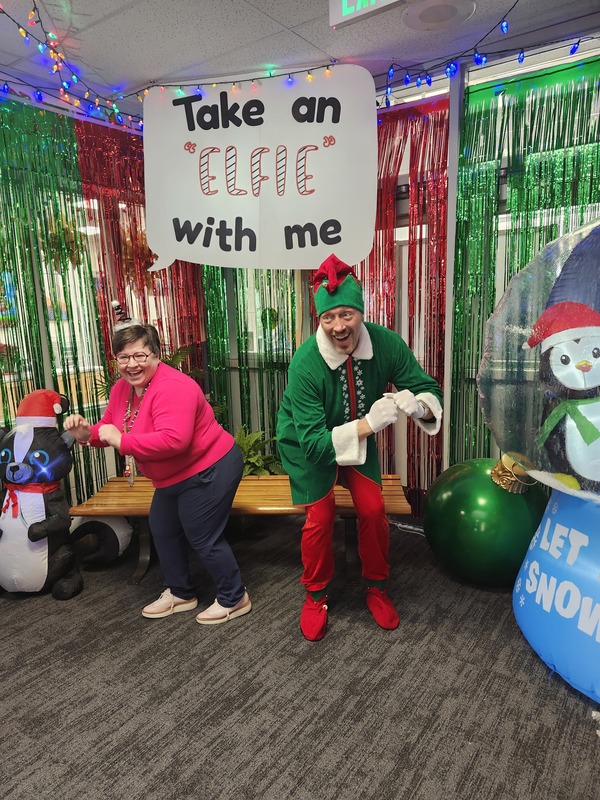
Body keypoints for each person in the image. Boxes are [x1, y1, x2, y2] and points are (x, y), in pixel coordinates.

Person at [276, 254, 442, 641]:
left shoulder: (386, 344)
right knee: (320, 519)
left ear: (361, 313)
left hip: (357, 446)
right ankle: (315, 595)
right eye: (328, 318)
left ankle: (377, 587)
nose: (338, 326)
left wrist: (419, 405)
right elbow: (315, 444)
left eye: (346, 315)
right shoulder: (305, 363)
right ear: (319, 320)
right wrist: (369, 424)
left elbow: (425, 386)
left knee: (373, 509)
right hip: (306, 443)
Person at [64, 321, 251, 625]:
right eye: (123, 357)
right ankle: (181, 593)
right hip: (170, 475)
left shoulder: (174, 387)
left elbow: (174, 440)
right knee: (162, 529)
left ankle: (235, 596)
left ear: (156, 355)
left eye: (140, 355)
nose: (132, 364)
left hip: (210, 466)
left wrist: (122, 441)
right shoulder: (122, 389)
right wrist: (88, 434)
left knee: (202, 535)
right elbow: (110, 426)